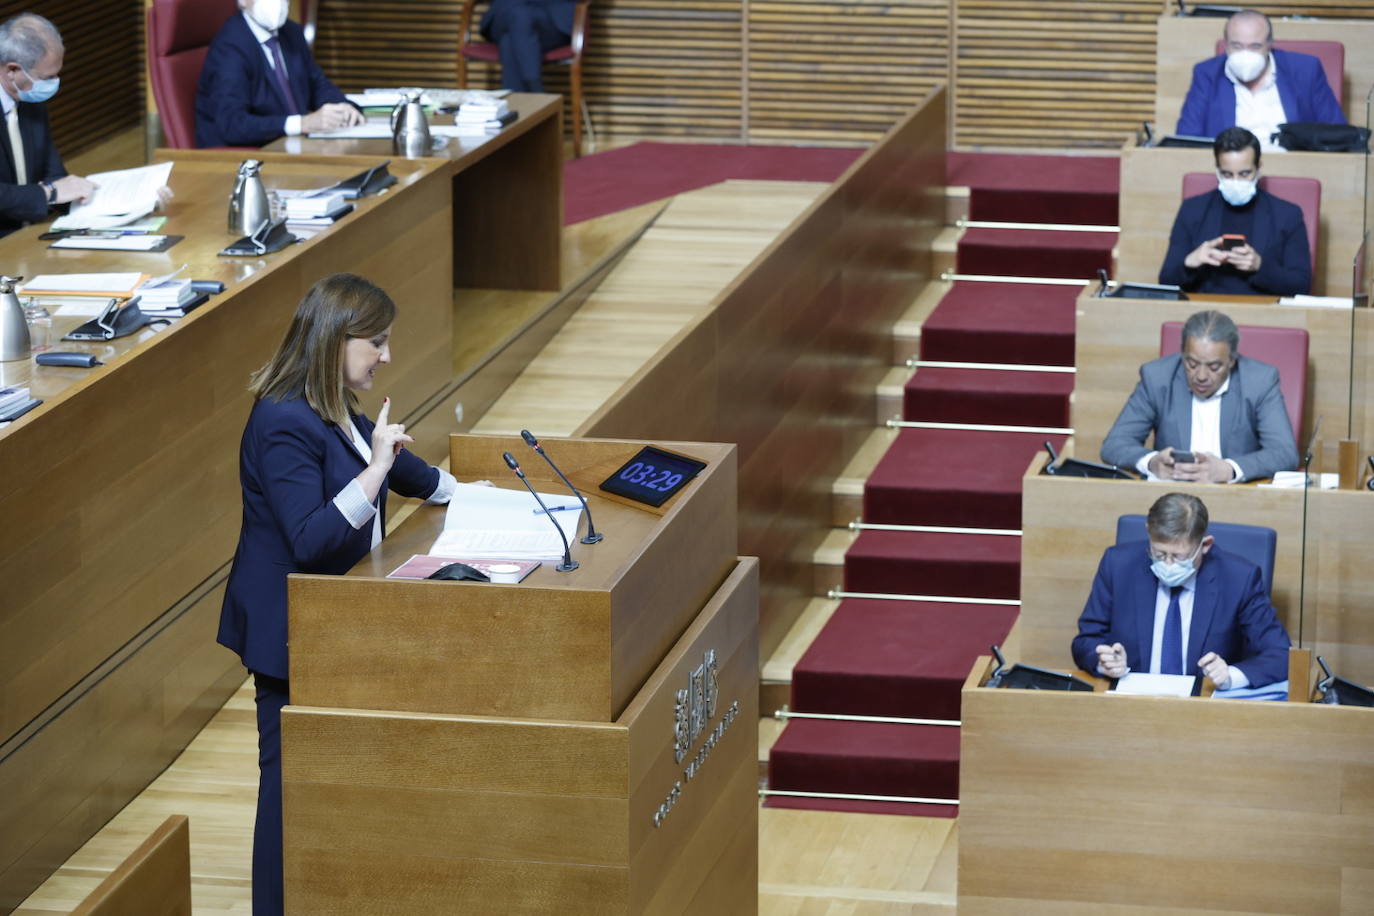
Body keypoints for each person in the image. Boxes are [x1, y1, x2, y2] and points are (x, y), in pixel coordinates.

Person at [219, 273, 458, 915]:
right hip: (293, 632)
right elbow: (310, 539)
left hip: (341, 624)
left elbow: (393, 463)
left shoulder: (328, 403)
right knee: (287, 789)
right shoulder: (282, 420)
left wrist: (469, 497)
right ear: (335, 341)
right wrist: (376, 470)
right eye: (376, 342)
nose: (387, 356)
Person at [1072, 492, 1290, 689]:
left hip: (1204, 710)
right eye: (1159, 554)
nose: (1167, 565)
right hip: (1131, 702)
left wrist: (1230, 675)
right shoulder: (1118, 564)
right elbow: (1086, 640)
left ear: (1205, 545)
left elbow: (1281, 655)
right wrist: (1103, 661)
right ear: (1149, 533)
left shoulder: (1239, 578)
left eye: (1178, 557)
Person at [1100, 309, 1297, 483]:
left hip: (1235, 496)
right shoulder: (1157, 377)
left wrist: (1229, 469)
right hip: (1172, 500)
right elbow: (1114, 445)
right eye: (1191, 364)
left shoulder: (1259, 381)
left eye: (1214, 367)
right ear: (1182, 354)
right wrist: (1151, 462)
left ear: (1232, 360)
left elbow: (1284, 453)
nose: (1201, 376)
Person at [1158, 127, 1311, 296]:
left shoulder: (1287, 215)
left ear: (1258, 168)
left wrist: (1259, 266)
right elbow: (1166, 281)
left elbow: (1301, 285)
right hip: (1206, 310)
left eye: (1244, 174)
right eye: (1227, 174)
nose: (1236, 181)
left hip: (1263, 311)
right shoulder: (1192, 209)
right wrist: (1190, 262)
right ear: (1217, 170)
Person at [196, 0, 362, 148]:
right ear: (243, 1)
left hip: (291, 146)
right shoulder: (230, 46)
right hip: (243, 159)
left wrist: (342, 107)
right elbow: (233, 124)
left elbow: (317, 83)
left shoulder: (291, 32)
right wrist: (302, 123)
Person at [1175, 9, 1345, 146]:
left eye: (1255, 46)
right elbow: (1187, 140)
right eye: (1237, 46)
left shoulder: (1305, 70)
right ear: (1226, 45)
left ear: (1270, 44)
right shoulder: (1207, 74)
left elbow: (1337, 134)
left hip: (1294, 169)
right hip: (1232, 174)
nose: (1245, 54)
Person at [0, 13, 96, 236]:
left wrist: (121, 199)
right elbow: (51, 191)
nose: (54, 84)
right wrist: (47, 194)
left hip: (29, 235)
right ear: (12, 70)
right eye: (47, 77)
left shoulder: (29, 99)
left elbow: (54, 175)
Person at [481, 0, 576, 92]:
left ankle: (519, 101)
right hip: (505, 14)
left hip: (552, 21)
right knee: (520, 15)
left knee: (509, 41)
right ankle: (536, 88)